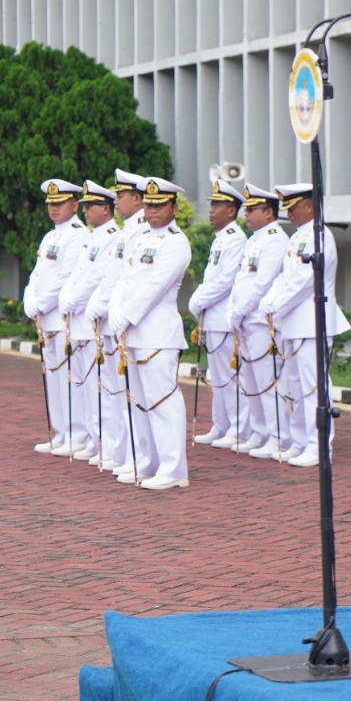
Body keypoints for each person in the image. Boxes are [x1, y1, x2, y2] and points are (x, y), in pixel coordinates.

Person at [107, 177, 194, 490]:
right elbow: (123, 279)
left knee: (162, 401)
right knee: (138, 403)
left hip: (157, 334)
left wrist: (124, 317)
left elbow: (154, 288)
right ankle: (145, 461)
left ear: (173, 207)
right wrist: (115, 313)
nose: (153, 210)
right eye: (149, 204)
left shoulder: (176, 242)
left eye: (160, 205)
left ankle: (173, 469)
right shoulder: (139, 237)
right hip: (131, 333)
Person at [260, 183, 351, 468]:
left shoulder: (319, 235)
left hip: (312, 322)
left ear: (309, 206)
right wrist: (269, 299)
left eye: (292, 206)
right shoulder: (298, 237)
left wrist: (276, 304)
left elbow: (304, 281)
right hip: (293, 324)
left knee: (314, 387)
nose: (287, 212)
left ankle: (318, 445)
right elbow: (284, 277)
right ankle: (300, 441)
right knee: (294, 387)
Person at [86, 169, 147, 472]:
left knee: (126, 392)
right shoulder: (126, 231)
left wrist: (102, 303)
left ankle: (131, 454)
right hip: (111, 319)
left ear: (137, 199)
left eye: (120, 195)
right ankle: (120, 452)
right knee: (113, 390)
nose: (116, 200)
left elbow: (124, 279)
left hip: (123, 320)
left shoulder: (140, 231)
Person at [21, 178, 86, 456]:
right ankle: (60, 432)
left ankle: (78, 434)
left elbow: (64, 279)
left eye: (60, 203)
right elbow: (37, 274)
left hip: (63, 319)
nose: (54, 208)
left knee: (70, 378)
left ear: (75, 204)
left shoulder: (78, 235)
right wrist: (29, 300)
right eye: (51, 204)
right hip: (46, 319)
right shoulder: (50, 236)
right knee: (53, 378)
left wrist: (41, 304)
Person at [58, 180, 122, 462]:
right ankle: (94, 441)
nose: (85, 211)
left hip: (95, 320)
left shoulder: (110, 236)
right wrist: (66, 296)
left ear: (106, 209)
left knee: (103, 389)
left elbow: (97, 278)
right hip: (82, 321)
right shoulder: (94, 236)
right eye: (83, 206)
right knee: (85, 387)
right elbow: (78, 274)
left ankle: (107, 445)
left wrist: (74, 299)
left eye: (90, 206)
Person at [226, 183, 289, 459]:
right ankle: (260, 432)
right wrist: (233, 310)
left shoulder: (275, 239)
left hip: (261, 322)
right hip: (245, 322)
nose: (246, 214)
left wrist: (238, 311)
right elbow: (241, 280)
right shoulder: (254, 240)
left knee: (267, 383)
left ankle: (279, 437)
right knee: (250, 383)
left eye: (251, 209)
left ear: (268, 212)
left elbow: (262, 284)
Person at [187, 180, 249, 449]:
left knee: (231, 378)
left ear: (231, 211)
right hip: (212, 318)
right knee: (218, 377)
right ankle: (221, 425)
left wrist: (196, 300)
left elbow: (225, 281)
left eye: (217, 205)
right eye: (211, 204)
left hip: (224, 319)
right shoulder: (221, 240)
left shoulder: (236, 240)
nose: (211, 210)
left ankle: (238, 428)